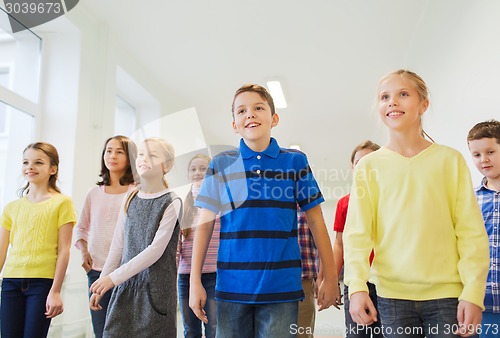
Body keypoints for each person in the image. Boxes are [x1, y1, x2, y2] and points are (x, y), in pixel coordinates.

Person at [343, 69, 489, 338]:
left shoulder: (450, 160)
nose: (392, 102)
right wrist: (357, 288)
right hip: (392, 298)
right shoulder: (368, 166)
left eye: (403, 94)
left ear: (424, 104)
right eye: (384, 97)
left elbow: (470, 232)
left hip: (449, 296)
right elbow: (357, 234)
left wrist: (473, 291)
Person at [189, 84, 341, 338]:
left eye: (258, 108)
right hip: (231, 289)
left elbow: (316, 220)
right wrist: (195, 281)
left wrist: (331, 275)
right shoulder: (222, 164)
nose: (250, 114)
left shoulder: (295, 161)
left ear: (274, 118)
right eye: (242, 111)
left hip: (281, 288)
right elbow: (204, 225)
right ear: (234, 124)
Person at [89, 137, 181, 338]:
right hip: (125, 289)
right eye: (141, 154)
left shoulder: (172, 201)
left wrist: (112, 278)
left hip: (155, 294)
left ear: (167, 165)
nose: (144, 159)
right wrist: (101, 282)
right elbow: (118, 246)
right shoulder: (130, 197)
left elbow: (155, 251)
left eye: (153, 155)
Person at [0, 142, 76, 338]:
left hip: (42, 284)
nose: (30, 167)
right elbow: (2, 249)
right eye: (26, 162)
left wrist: (56, 291)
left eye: (38, 162)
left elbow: (64, 250)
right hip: (10, 283)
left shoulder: (62, 202)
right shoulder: (11, 208)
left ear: (53, 169)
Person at [73, 135, 137, 338]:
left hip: (126, 273)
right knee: (101, 332)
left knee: (126, 331)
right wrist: (83, 252)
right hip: (96, 273)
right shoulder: (93, 193)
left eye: (119, 151)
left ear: (130, 158)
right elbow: (80, 229)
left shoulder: (136, 192)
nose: (112, 155)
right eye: (109, 150)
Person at [333, 140, 382, 338]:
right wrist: (333, 282)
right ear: (353, 168)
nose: (363, 166)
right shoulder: (345, 203)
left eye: (370, 161)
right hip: (355, 280)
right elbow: (339, 244)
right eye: (358, 162)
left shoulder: (391, 200)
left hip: (386, 281)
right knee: (356, 334)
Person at [177, 154, 220, 338]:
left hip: (214, 275)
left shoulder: (219, 201)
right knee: (190, 330)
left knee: (213, 328)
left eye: (203, 168)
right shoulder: (181, 202)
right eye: (193, 169)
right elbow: (176, 245)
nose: (198, 172)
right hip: (186, 276)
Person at [467, 120, 500, 338]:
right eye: (477, 155)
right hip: (483, 303)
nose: (484, 159)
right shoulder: (469, 199)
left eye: (490, 151)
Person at [296, 208, 320, 338]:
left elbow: (321, 243)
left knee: (302, 333)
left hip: (303, 281)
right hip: (274, 281)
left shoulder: (308, 205)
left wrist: (322, 278)